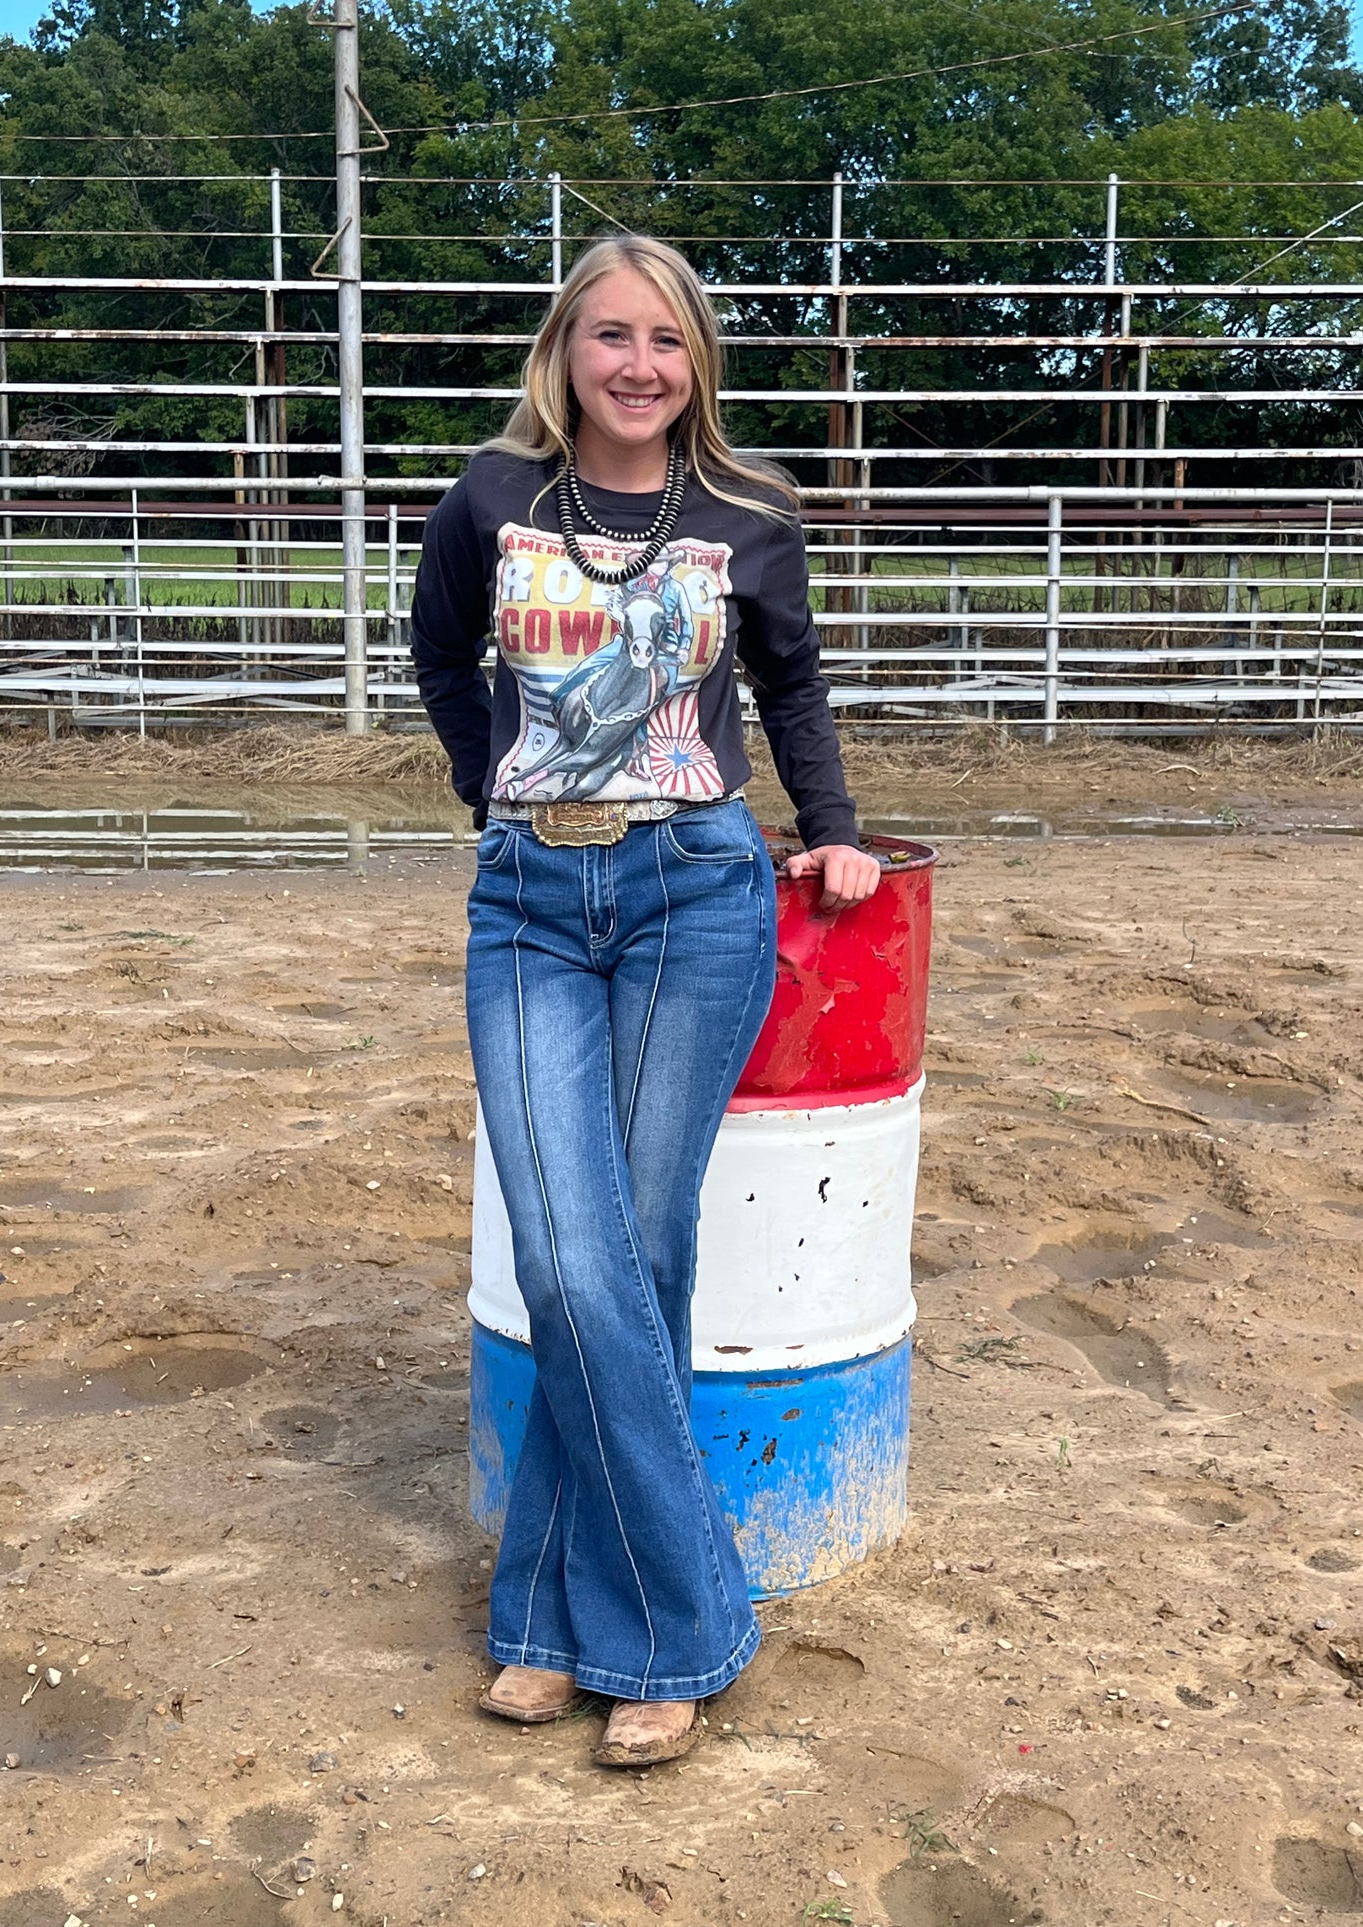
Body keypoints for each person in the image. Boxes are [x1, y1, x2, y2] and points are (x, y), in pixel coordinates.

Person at [410, 234, 880, 1768]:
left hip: (696, 892)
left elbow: (789, 683)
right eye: (608, 335)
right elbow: (437, 662)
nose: (635, 365)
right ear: (562, 352)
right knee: (567, 1252)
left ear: (697, 363)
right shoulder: (490, 497)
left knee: (634, 1253)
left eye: (664, 340)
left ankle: (550, 1626)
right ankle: (683, 1625)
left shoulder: (748, 513)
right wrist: (502, 793)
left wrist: (833, 825)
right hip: (530, 906)